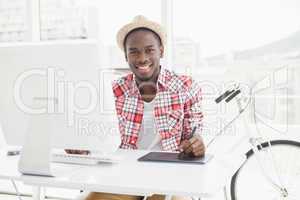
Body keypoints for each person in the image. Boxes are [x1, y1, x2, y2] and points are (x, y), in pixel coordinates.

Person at [84, 15, 205, 200]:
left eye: (149, 50)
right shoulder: (114, 90)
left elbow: (194, 133)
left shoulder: (185, 86)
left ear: (161, 51)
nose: (142, 58)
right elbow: (99, 137)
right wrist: (83, 146)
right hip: (125, 173)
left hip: (171, 174)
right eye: (134, 51)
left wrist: (196, 143)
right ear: (125, 56)